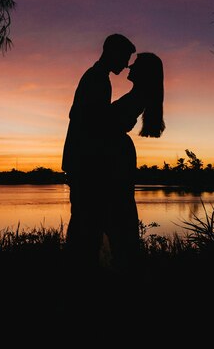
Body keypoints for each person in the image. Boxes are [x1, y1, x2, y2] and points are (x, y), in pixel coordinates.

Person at [62, 33, 136, 269]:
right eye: (124, 58)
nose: (126, 65)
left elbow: (92, 119)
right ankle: (80, 273)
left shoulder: (97, 78)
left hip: (83, 162)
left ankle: (82, 269)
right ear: (112, 52)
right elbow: (89, 121)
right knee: (86, 221)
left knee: (87, 221)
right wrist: (118, 123)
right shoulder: (96, 79)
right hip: (85, 163)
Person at [104, 52, 165, 271]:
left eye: (136, 65)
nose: (129, 67)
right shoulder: (139, 94)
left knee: (116, 210)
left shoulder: (139, 95)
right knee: (117, 210)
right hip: (118, 152)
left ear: (145, 72)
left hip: (117, 156)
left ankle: (121, 265)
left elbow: (110, 123)